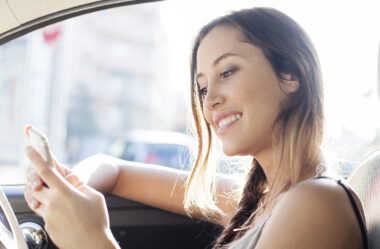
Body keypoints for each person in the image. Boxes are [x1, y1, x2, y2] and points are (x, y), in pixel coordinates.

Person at [24, 7, 368, 249]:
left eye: (228, 72)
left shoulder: (315, 202)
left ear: (290, 74)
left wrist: (93, 242)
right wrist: (68, 186)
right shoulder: (257, 203)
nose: (209, 101)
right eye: (202, 87)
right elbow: (113, 169)